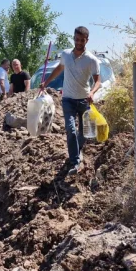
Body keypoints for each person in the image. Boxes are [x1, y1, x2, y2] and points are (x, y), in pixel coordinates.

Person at [40, 26, 101, 175]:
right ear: (73, 38)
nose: (79, 42)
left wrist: (92, 92)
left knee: (85, 133)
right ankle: (75, 162)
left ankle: (77, 151)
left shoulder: (92, 60)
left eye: (82, 40)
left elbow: (98, 81)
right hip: (67, 99)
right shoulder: (66, 54)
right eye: (76, 39)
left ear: (87, 40)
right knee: (70, 129)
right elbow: (59, 69)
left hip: (84, 101)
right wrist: (46, 83)